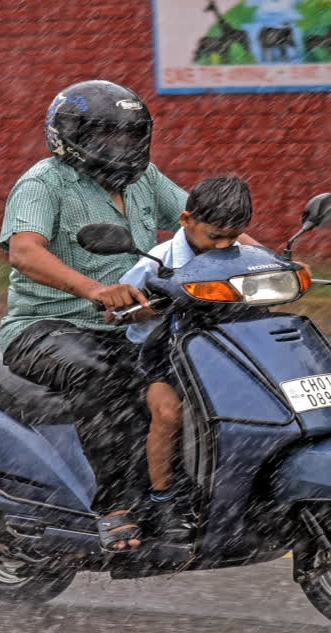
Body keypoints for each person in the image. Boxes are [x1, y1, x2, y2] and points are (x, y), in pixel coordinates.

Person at [0, 80, 259, 551]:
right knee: (105, 375)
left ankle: (188, 494)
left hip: (134, 324)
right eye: (106, 135)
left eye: (130, 135)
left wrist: (266, 264)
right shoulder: (43, 183)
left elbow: (202, 221)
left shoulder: (143, 179)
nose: (121, 147)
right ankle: (115, 505)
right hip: (49, 326)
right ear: (69, 135)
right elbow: (24, 252)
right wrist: (95, 290)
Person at [118, 176, 254, 539]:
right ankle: (162, 500)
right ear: (185, 220)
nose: (222, 247)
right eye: (214, 237)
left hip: (220, 351)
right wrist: (142, 308)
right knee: (168, 413)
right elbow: (114, 312)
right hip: (161, 354)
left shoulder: (242, 256)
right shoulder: (158, 261)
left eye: (233, 237)